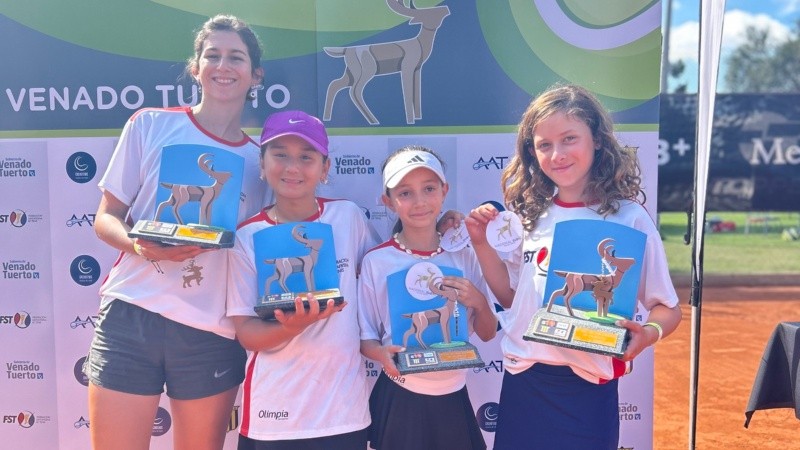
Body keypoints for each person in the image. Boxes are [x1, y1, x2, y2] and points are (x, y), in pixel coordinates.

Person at [84, 15, 268, 450]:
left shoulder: (263, 164)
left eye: (236, 57)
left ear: (255, 75)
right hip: (132, 317)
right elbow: (106, 217)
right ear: (196, 67)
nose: (223, 65)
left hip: (211, 332)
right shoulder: (150, 125)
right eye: (213, 55)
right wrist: (140, 247)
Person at [465, 84, 682, 450]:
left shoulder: (629, 219)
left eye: (569, 139)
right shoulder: (529, 215)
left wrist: (647, 334)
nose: (557, 154)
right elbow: (510, 296)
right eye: (544, 145)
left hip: (589, 388)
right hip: (525, 382)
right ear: (531, 153)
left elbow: (668, 309)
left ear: (596, 140)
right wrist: (482, 244)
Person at [226, 110, 378, 450]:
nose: (292, 167)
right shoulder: (245, 237)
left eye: (306, 157)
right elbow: (248, 334)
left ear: (324, 168)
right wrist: (292, 326)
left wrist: (442, 231)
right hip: (275, 417)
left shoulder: (348, 217)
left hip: (344, 413)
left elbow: (383, 270)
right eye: (280, 155)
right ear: (262, 165)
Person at [358, 146, 498, 450]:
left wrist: (478, 301)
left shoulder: (463, 255)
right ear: (388, 201)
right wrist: (382, 354)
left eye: (429, 188)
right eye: (405, 193)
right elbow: (366, 339)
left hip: (454, 397)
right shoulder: (376, 261)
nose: (419, 202)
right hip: (400, 397)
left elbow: (487, 332)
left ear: (444, 191)